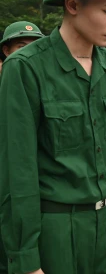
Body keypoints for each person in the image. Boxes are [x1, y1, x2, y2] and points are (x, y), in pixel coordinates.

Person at [0, 0, 106, 274]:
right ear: (73, 5)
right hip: (55, 229)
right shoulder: (26, 68)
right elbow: (16, 171)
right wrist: (25, 258)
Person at [0, 21, 45, 272]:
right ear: (6, 51)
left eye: (34, 46)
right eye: (20, 46)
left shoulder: (44, 89)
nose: (27, 52)